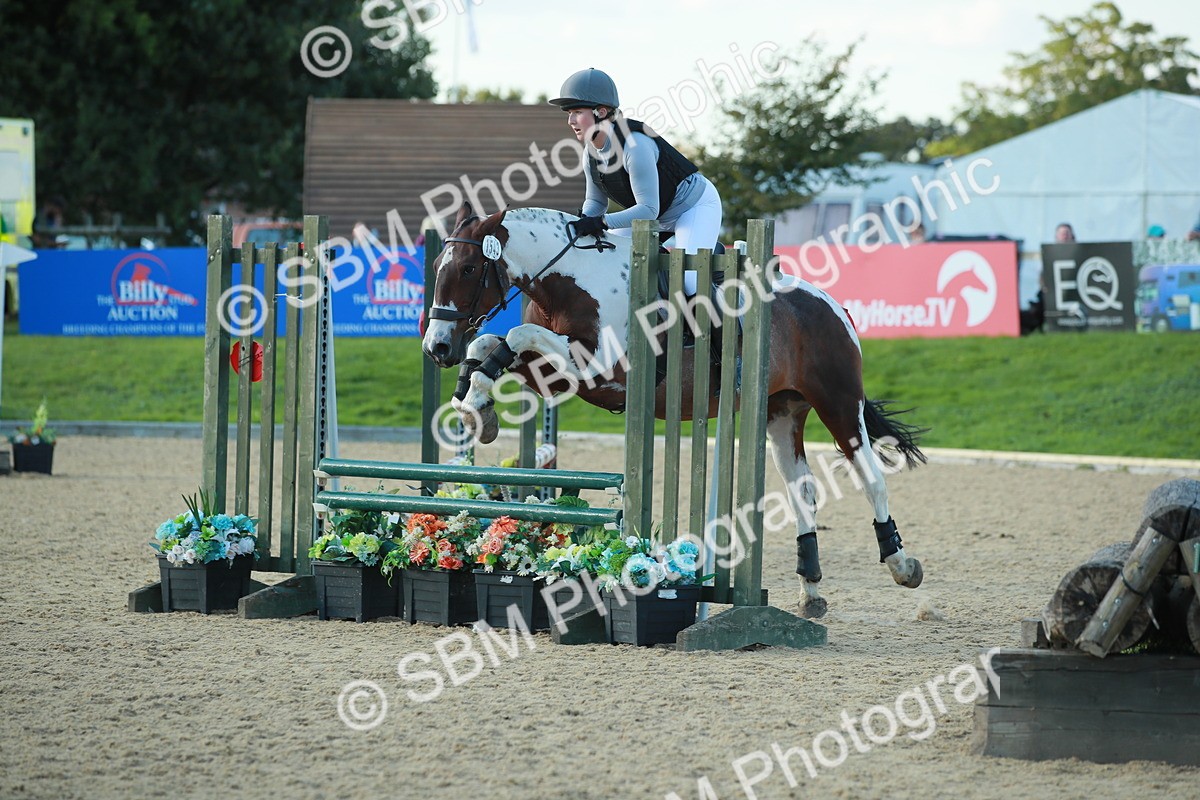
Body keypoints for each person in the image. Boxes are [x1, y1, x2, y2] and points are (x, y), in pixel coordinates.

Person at [549, 68, 723, 278]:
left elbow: (649, 209)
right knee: (611, 265)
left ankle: (719, 280)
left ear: (601, 112)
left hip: (692, 206)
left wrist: (601, 222)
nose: (571, 121)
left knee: (689, 282)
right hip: (655, 214)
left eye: (577, 112)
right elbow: (596, 202)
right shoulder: (590, 153)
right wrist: (584, 221)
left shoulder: (635, 146)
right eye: (569, 114)